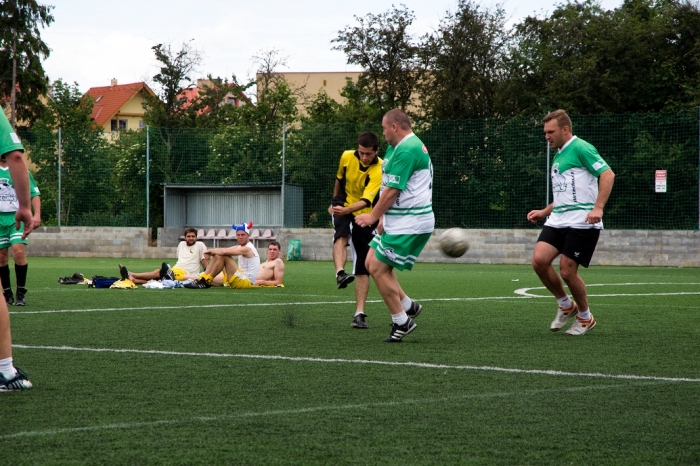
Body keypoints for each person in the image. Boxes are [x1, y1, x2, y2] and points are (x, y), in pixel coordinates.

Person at [527, 109, 615, 336]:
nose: (547, 136)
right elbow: (564, 195)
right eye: (545, 132)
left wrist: (598, 208)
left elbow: (607, 174)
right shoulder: (559, 155)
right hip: (558, 220)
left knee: (567, 271)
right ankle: (566, 305)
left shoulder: (581, 148)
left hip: (581, 221)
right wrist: (544, 211)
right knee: (539, 261)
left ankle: (585, 318)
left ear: (565, 129)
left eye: (550, 132)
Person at [356, 109, 434, 342]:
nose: (382, 133)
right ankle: (408, 306)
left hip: (410, 222)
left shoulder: (408, 150)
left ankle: (402, 321)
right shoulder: (395, 147)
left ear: (394, 127)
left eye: (384, 128)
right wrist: (383, 218)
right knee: (370, 261)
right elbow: (386, 184)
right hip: (397, 220)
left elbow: (393, 191)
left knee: (379, 268)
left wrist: (372, 216)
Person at [328, 131, 383, 329]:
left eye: (368, 153)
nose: (364, 157)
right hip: (343, 204)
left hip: (365, 215)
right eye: (361, 153)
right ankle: (340, 273)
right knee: (341, 235)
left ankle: (359, 315)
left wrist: (346, 210)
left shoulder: (380, 168)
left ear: (376, 151)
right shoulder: (346, 156)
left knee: (363, 266)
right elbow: (339, 180)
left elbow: (367, 201)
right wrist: (335, 202)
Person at [0, 110, 36, 390]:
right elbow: (16, 156)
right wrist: (25, 206)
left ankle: (19, 293)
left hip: (10, 222)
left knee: (18, 252)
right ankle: (5, 371)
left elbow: (35, 190)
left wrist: (30, 208)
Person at [0, 158, 41, 307]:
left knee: (18, 251)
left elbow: (34, 193)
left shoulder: (20, 169)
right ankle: (7, 293)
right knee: (1, 257)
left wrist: (37, 215)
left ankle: (20, 293)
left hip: (16, 218)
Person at [185, 222, 261, 289]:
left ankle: (207, 280)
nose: (240, 237)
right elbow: (224, 249)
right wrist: (212, 252)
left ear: (248, 235)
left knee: (223, 255)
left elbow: (224, 252)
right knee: (218, 254)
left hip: (245, 282)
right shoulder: (241, 247)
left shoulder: (248, 248)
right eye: (238, 235)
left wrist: (210, 251)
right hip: (240, 278)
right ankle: (203, 278)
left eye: (243, 235)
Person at [119, 227, 207, 284]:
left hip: (186, 273)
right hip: (176, 269)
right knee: (159, 279)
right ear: (185, 237)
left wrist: (208, 275)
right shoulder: (181, 244)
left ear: (196, 237)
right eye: (189, 236)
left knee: (158, 273)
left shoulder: (200, 245)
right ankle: (133, 280)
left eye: (193, 236)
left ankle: (131, 274)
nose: (191, 238)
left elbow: (204, 261)